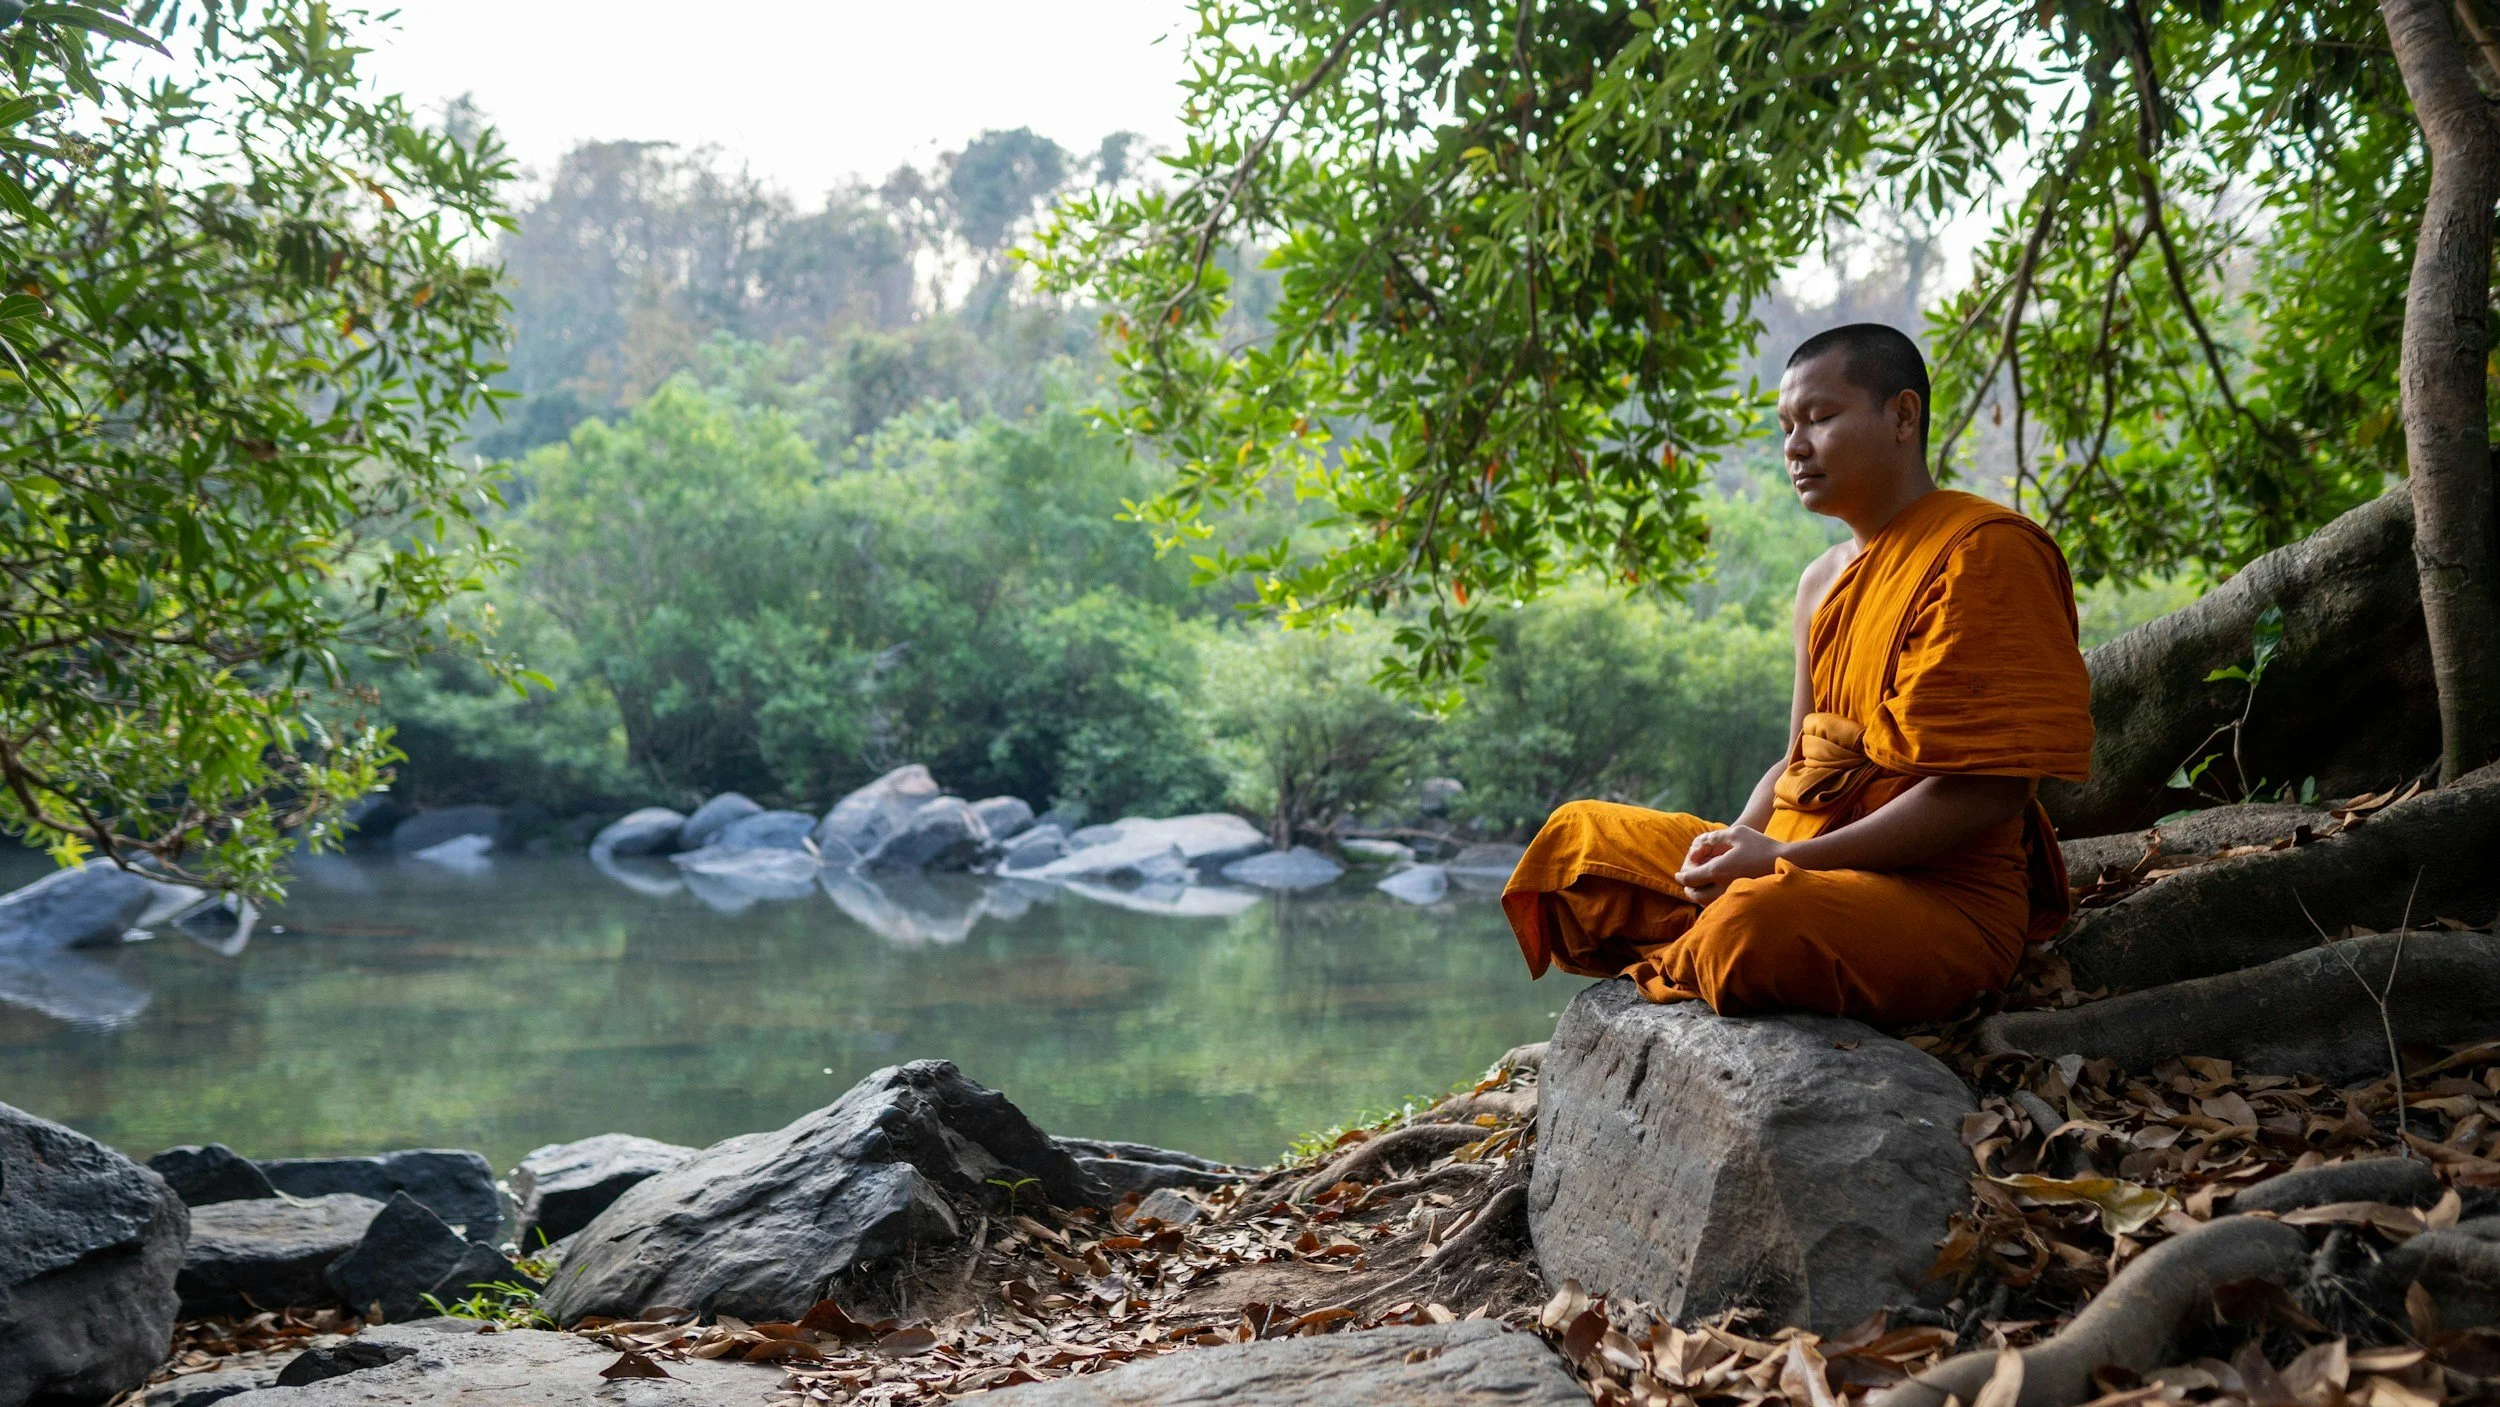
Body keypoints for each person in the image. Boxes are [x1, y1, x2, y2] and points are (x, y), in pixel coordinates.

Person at [1500, 323, 2095, 1024]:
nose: (1795, 447)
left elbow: (1988, 792)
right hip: (1793, 854)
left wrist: (1784, 861)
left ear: (1903, 415)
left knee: (1756, 920)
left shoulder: (1985, 553)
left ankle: (1712, 940)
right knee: (1577, 844)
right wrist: (1733, 844)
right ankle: (1712, 931)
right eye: (1786, 426)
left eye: (1819, 417)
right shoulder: (1819, 582)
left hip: (1933, 895)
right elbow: (1795, 761)